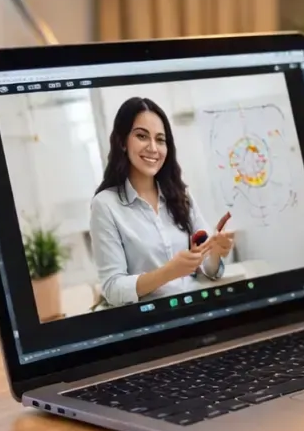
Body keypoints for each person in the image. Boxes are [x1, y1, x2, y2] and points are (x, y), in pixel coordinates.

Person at [88, 96, 233, 307]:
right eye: (142, 136)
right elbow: (113, 289)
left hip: (196, 308)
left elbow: (209, 270)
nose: (153, 148)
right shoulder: (105, 205)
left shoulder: (181, 194)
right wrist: (168, 272)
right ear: (122, 142)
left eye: (160, 139)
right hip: (151, 323)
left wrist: (217, 252)